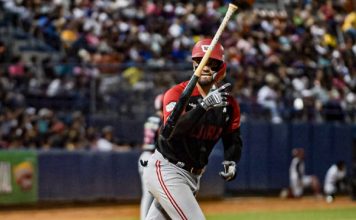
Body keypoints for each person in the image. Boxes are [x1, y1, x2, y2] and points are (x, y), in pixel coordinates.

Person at [142, 38, 243, 219]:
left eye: (211, 63)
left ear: (221, 67)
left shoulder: (228, 103)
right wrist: (203, 106)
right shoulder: (177, 94)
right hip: (167, 169)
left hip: (193, 176)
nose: (204, 67)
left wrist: (231, 160)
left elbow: (232, 136)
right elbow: (171, 131)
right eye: (200, 61)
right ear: (194, 64)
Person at [138, 94, 164, 220]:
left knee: (147, 195)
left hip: (144, 156)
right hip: (153, 157)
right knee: (158, 195)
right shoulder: (161, 120)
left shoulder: (150, 119)